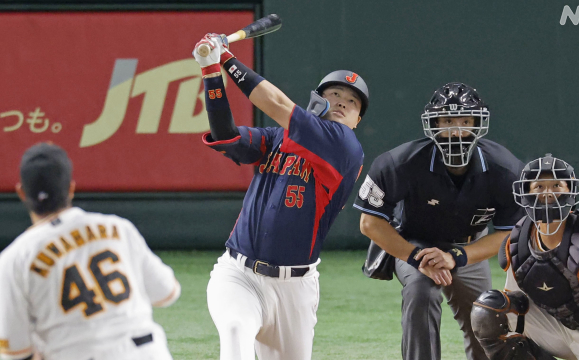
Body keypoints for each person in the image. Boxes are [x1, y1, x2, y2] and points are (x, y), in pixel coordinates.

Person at [191, 34, 368, 360]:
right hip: (238, 274)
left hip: (295, 289)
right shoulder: (277, 140)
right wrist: (210, 71)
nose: (343, 102)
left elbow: (275, 104)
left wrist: (226, 58)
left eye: (353, 102)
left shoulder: (345, 148)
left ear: (357, 121)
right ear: (317, 100)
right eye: (335, 94)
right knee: (234, 334)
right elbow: (226, 136)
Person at [354, 82, 524, 360]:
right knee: (421, 292)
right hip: (415, 244)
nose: (456, 130)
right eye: (447, 121)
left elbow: (510, 232)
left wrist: (456, 256)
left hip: (469, 247)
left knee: (487, 314)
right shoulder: (400, 162)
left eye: (465, 121)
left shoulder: (505, 169)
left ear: (479, 123)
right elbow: (369, 223)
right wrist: (418, 256)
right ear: (432, 124)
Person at [0, 143, 180, 360]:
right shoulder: (118, 228)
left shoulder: (14, 259)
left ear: (21, 192)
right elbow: (167, 292)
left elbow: (16, 352)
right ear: (71, 188)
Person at [470, 154, 579, 360]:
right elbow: (517, 301)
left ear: (570, 191)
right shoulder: (518, 239)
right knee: (490, 311)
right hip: (564, 331)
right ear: (526, 193)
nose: (548, 193)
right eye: (539, 187)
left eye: (556, 185)